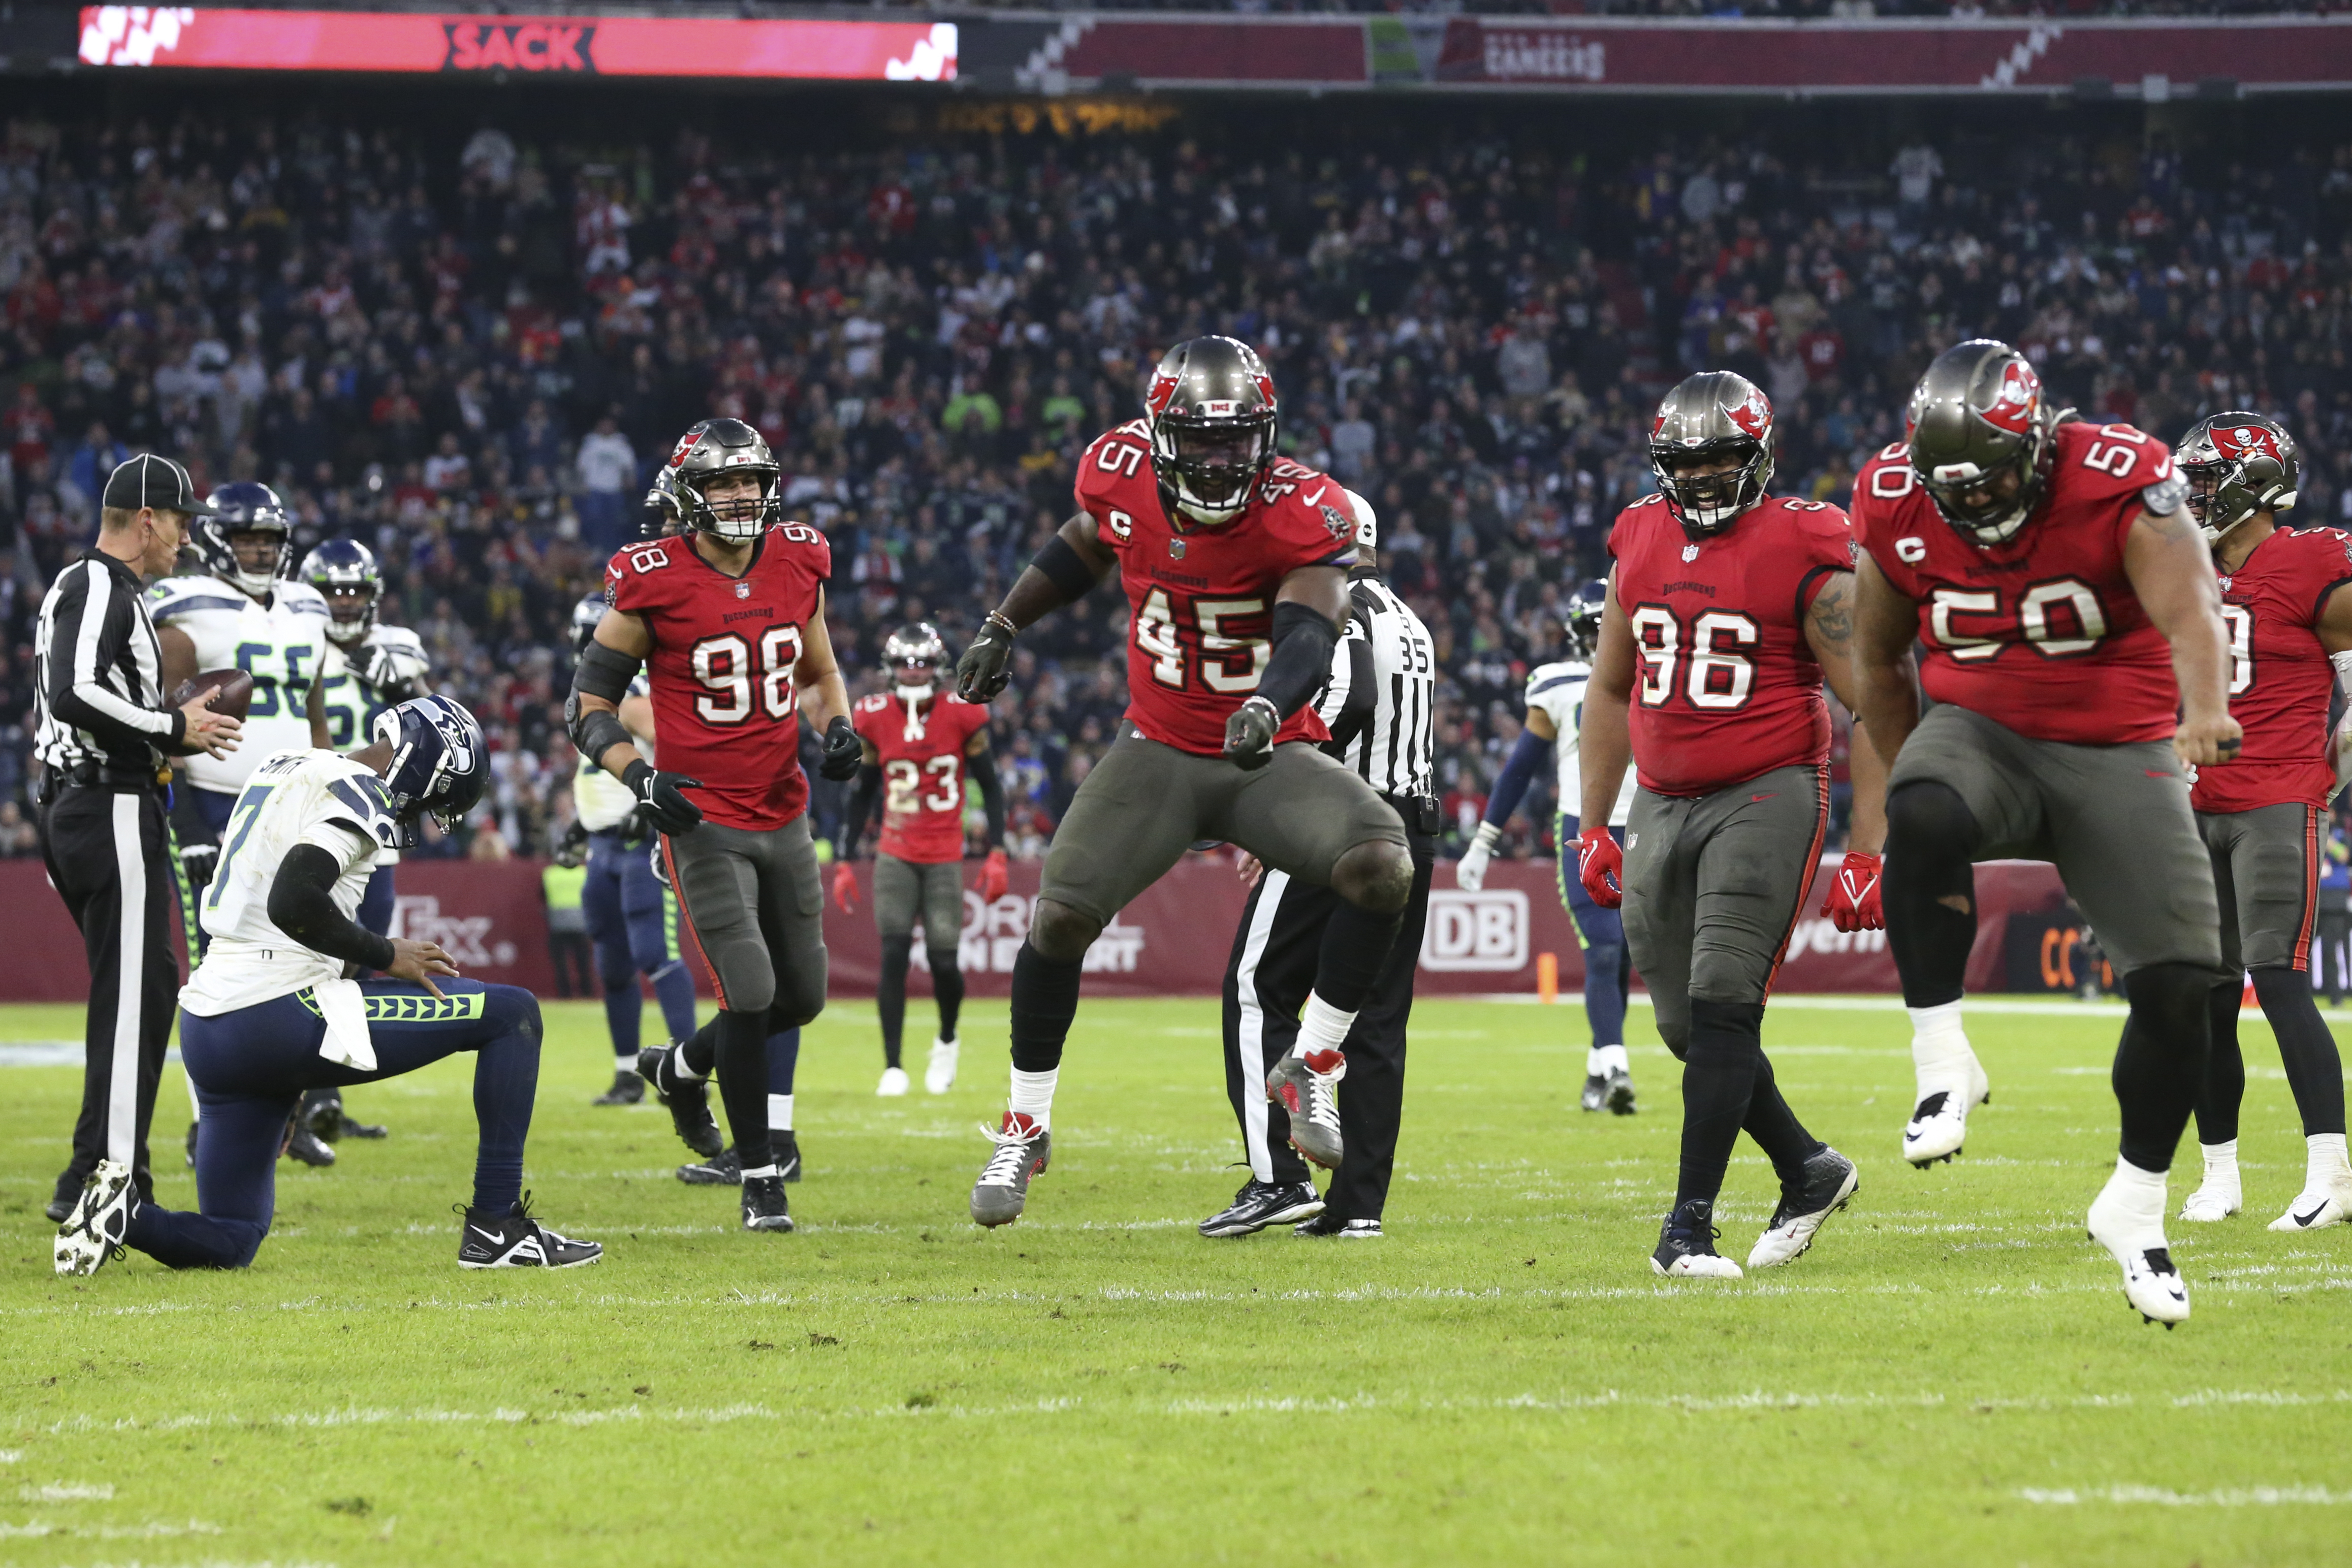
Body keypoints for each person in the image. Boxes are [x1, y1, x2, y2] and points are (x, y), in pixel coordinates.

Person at [954, 335, 1414, 1228]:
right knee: (1059, 918)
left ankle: (1313, 1064)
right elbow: (1087, 542)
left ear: (1266, 438)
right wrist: (1004, 622)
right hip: (1159, 746)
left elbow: (1312, 636)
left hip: (1264, 754)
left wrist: (1271, 708)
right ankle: (1024, 1123)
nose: (1217, 460)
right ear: (1159, 437)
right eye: (1199, 443)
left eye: (1235, 442)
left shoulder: (1305, 510)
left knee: (1382, 865)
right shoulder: (1117, 471)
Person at [1850, 340, 2236, 1326]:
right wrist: (1904, 785)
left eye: (1994, 479)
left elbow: (2190, 601)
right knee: (1924, 808)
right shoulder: (1894, 494)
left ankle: (2135, 1203)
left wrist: (2202, 706)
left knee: (2182, 986)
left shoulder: (2117, 474)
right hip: (1982, 727)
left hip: (2115, 741)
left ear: (2040, 439)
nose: (1975, 505)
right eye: (1955, 490)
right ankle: (1942, 1061)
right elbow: (1878, 660)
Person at [52, 694, 599, 1274]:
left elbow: (299, 907)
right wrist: (390, 953)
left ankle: (126, 1216)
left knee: (233, 1237)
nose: (424, 814)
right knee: (513, 1014)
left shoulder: (287, 764)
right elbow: (293, 900)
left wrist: (297, 1075)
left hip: (212, 1025)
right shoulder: (364, 791)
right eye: (437, 798)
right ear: (426, 763)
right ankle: (498, 1227)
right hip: (276, 1010)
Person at [1576, 372, 1884, 1281]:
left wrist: (1867, 845)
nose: (1705, 479)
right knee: (1685, 1026)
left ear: (1759, 458)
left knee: (1722, 997)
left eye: (1722, 460)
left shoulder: (1804, 537)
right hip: (1662, 800)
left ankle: (1687, 1229)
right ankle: (1809, 1167)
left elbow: (1871, 700)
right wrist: (1595, 823)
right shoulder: (1635, 532)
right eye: (1688, 462)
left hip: (1766, 785)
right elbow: (1609, 685)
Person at [567, 417, 861, 1234]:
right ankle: (761, 1175)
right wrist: (640, 776)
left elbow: (820, 670)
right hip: (701, 817)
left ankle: (680, 1067)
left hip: (784, 807)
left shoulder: (800, 558)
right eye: (722, 482)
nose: (739, 496)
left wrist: (835, 725)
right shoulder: (651, 576)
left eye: (750, 480)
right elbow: (587, 702)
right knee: (751, 989)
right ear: (687, 494)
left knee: (802, 996)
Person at [1209, 490, 1437, 1241]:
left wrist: (1282, 798)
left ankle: (1278, 1177)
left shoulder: (1336, 604)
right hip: (1414, 819)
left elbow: (1348, 695)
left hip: (1343, 822)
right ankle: (1358, 1205)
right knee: (1375, 1016)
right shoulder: (1410, 618)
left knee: (1253, 981)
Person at [33, 455, 244, 1224]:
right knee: (132, 999)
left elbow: (94, 697)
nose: (187, 538)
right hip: (106, 804)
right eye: (182, 521)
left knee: (149, 991)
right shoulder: (95, 583)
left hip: (109, 800)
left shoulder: (111, 592)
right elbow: (74, 689)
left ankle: (106, 1165)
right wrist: (171, 726)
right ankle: (107, 1179)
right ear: (147, 517)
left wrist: (177, 736)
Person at [2159, 414, 2352, 1233]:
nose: (2193, 494)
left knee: (2274, 976)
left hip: (2276, 798)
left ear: (2254, 483)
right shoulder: (2181, 567)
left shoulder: (2312, 561)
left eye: (2206, 479)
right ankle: (2220, 1175)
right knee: (2205, 995)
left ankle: (2331, 1170)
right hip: (2196, 803)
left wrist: (2336, 758)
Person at [151, 483, 337, 1166]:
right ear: (218, 542)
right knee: (216, 963)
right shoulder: (184, 604)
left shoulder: (308, 604)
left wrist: (328, 788)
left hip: (294, 799)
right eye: (245, 538)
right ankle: (209, 1120)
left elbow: (313, 712)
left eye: (267, 538)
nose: (258, 549)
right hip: (219, 798)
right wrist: (192, 818)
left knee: (306, 957)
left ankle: (292, 1112)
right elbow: (168, 721)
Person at [1456, 577, 1640, 1115]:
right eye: (1594, 625)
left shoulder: (1655, 673)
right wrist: (1483, 841)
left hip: (1650, 826)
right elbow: (1520, 768)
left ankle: (1597, 1071)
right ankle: (1616, 1062)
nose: (1603, 634)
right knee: (1603, 947)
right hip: (1585, 829)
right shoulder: (1558, 683)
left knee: (1623, 954)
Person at [836, 621, 1008, 1097]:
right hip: (895, 848)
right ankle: (893, 1065)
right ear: (890, 670)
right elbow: (864, 793)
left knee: (944, 959)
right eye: (905, 665)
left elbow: (991, 787)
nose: (914, 673)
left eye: (924, 664)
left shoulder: (962, 714)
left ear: (939, 668)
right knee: (892, 954)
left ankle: (947, 1041)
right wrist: (847, 857)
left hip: (944, 850)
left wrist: (998, 850)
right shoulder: (873, 715)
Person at [297, 536, 426, 1147]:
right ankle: (305, 1095)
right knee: (314, 959)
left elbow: (435, 725)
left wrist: (400, 693)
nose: (345, 603)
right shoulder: (290, 639)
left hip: (380, 829)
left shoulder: (398, 647)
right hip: (316, 814)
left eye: (355, 591)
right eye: (333, 591)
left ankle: (327, 1096)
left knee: (358, 965)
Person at [564, 591, 698, 1106]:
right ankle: (626, 1074)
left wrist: (645, 807)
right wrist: (581, 826)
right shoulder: (588, 696)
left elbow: (669, 751)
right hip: (603, 845)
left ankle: (683, 1070)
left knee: (655, 952)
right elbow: (596, 772)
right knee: (613, 962)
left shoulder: (636, 689)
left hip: (642, 841)